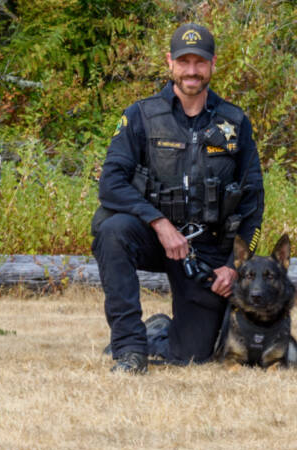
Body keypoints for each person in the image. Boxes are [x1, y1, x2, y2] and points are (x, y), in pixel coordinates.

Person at [92, 22, 263, 374]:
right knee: (112, 229)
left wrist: (234, 266)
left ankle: (157, 332)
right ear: (169, 62)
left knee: (193, 354)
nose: (192, 71)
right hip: (155, 239)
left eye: (199, 62)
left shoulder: (234, 122)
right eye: (184, 62)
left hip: (206, 250)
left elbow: (253, 204)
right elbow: (110, 183)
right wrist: (159, 223)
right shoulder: (140, 115)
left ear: (212, 64)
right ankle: (129, 350)